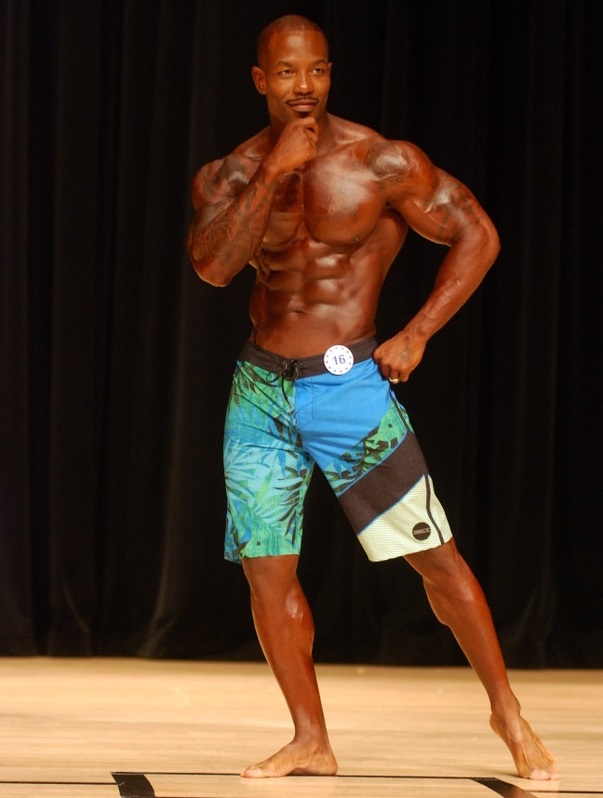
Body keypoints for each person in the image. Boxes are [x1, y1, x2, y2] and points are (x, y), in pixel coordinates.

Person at [186, 14, 557, 781]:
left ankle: (505, 711)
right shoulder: (230, 173)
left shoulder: (381, 162)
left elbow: (477, 234)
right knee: (267, 571)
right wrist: (274, 172)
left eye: (316, 71)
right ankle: (309, 737)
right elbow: (214, 267)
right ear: (261, 82)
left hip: (348, 388)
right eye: (287, 74)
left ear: (329, 75)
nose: (303, 87)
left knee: (435, 560)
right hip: (259, 393)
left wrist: (417, 332)